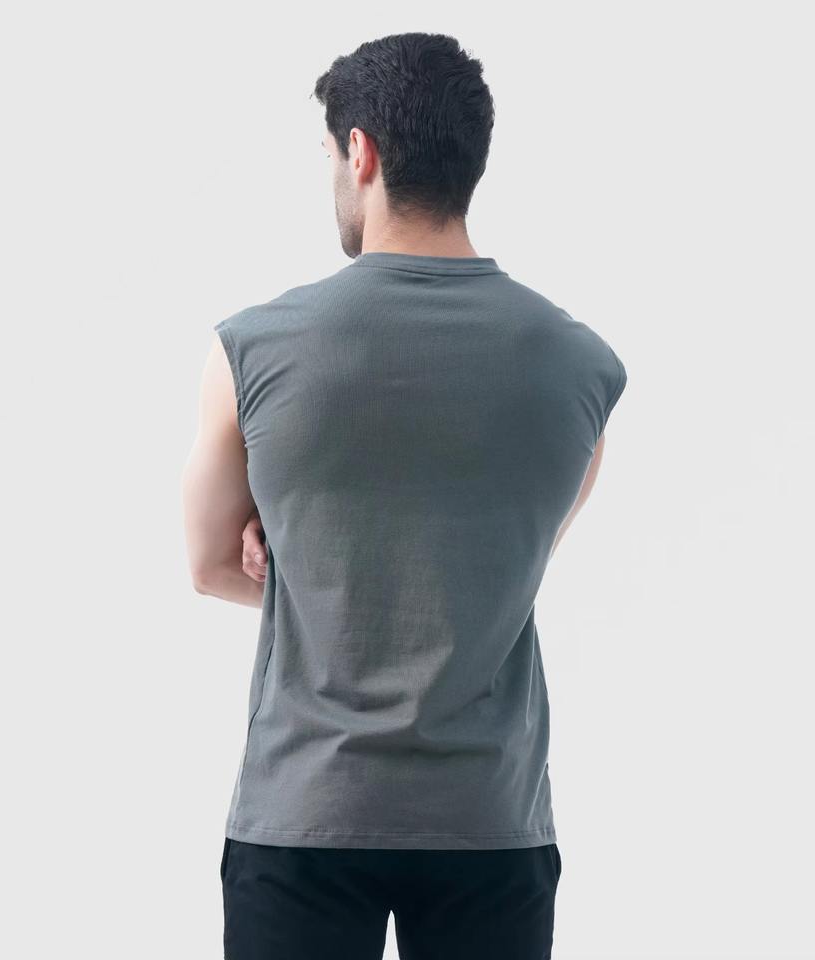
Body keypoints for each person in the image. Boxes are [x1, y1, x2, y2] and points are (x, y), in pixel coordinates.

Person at [182, 31, 627, 960]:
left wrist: (309, 560)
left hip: (305, 813)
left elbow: (211, 564)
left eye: (328, 155)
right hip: (489, 821)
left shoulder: (252, 349)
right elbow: (511, 563)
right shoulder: (582, 368)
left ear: (362, 152)